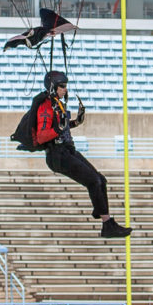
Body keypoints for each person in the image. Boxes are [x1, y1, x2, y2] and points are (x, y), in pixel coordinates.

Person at [33, 70, 131, 238]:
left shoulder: (57, 104)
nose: (65, 89)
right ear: (53, 87)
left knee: (100, 180)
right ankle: (107, 224)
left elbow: (62, 127)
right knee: (93, 181)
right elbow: (43, 136)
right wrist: (59, 128)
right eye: (62, 86)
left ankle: (100, 210)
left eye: (65, 86)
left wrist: (76, 122)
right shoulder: (46, 107)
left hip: (67, 150)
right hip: (57, 155)